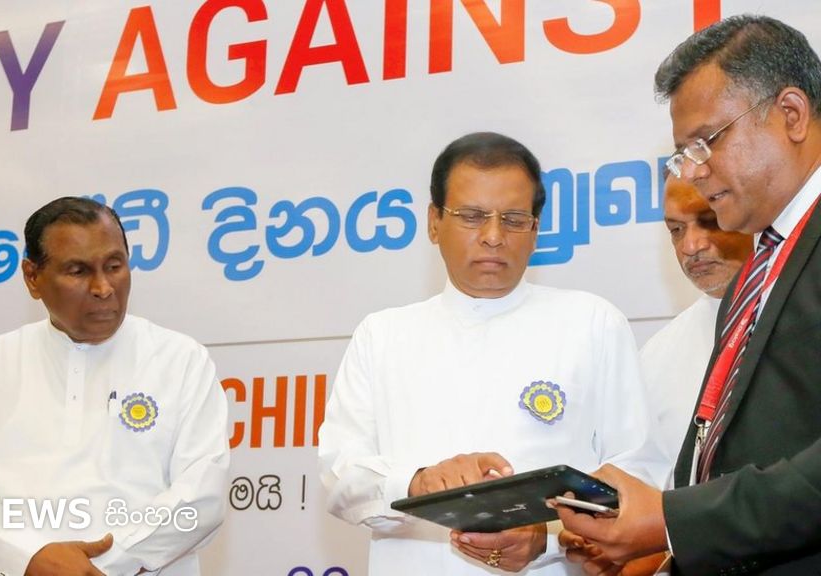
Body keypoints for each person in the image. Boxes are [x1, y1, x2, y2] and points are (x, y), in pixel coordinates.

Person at [318, 132, 668, 575]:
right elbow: (340, 475)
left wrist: (546, 537)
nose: (493, 236)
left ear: (536, 229)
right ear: (433, 222)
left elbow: (637, 479)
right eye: (471, 216)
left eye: (514, 219)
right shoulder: (382, 334)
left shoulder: (592, 323)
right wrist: (418, 483)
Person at [555, 15, 821, 575]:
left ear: (791, 114)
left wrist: (673, 520)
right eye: (683, 153)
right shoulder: (754, 276)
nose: (694, 172)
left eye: (705, 143)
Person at [0, 197, 230, 576]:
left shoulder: (180, 359)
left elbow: (202, 494)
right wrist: (28, 557)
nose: (103, 287)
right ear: (32, 277)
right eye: (78, 271)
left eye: (114, 266)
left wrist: (102, 563)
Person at [641, 174, 752, 477]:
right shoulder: (655, 355)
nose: (691, 245)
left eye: (710, 221)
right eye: (676, 230)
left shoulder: (803, 320)